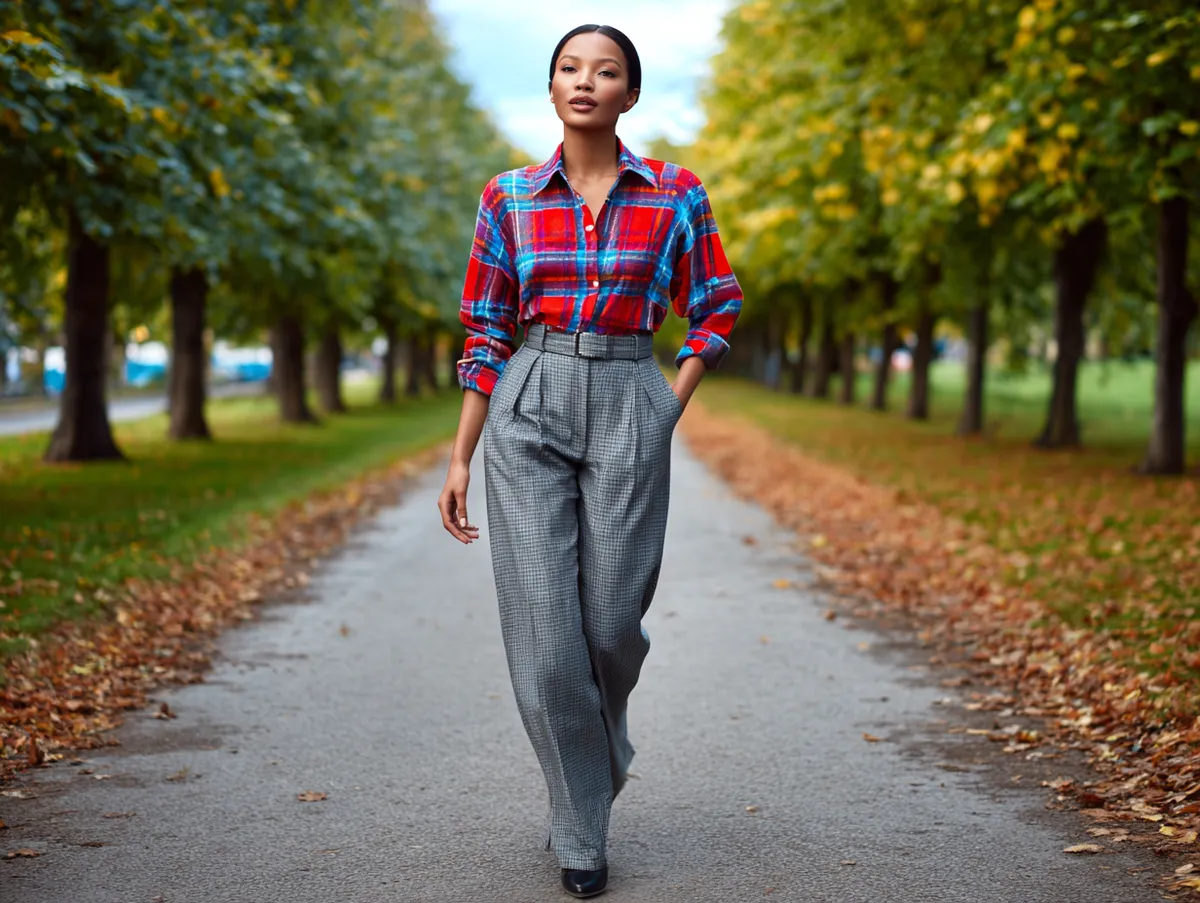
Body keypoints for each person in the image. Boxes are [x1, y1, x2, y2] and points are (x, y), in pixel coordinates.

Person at [437, 23, 742, 899]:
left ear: (629, 95)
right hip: (528, 393)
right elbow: (486, 329)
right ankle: (581, 830)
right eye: (570, 68)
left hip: (627, 390)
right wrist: (461, 457)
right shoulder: (509, 199)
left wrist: (666, 403)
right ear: (552, 87)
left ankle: (595, 749)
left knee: (609, 622)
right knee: (544, 635)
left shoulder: (677, 193)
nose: (586, 81)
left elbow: (716, 304)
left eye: (606, 71)